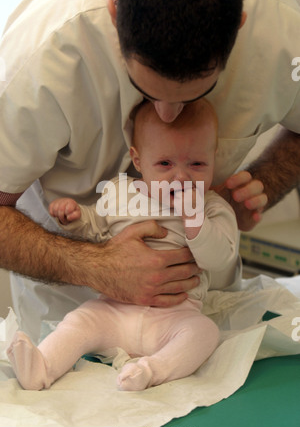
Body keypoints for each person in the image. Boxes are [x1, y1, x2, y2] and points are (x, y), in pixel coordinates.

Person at [0, 0, 299, 343]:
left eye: (197, 94)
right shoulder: (38, 58)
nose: (167, 115)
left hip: (195, 301)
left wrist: (261, 183)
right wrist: (92, 265)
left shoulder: (284, 32)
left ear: (238, 23)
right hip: (67, 297)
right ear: (114, 13)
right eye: (146, 89)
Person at [7, 99, 239, 391]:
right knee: (79, 321)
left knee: (205, 333)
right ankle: (42, 367)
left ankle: (151, 371)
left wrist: (196, 221)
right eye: (165, 164)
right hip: (113, 310)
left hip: (175, 315)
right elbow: (96, 229)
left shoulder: (214, 209)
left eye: (197, 164)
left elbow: (220, 259)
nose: (181, 177)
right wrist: (74, 218)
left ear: (213, 159)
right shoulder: (120, 192)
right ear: (139, 161)